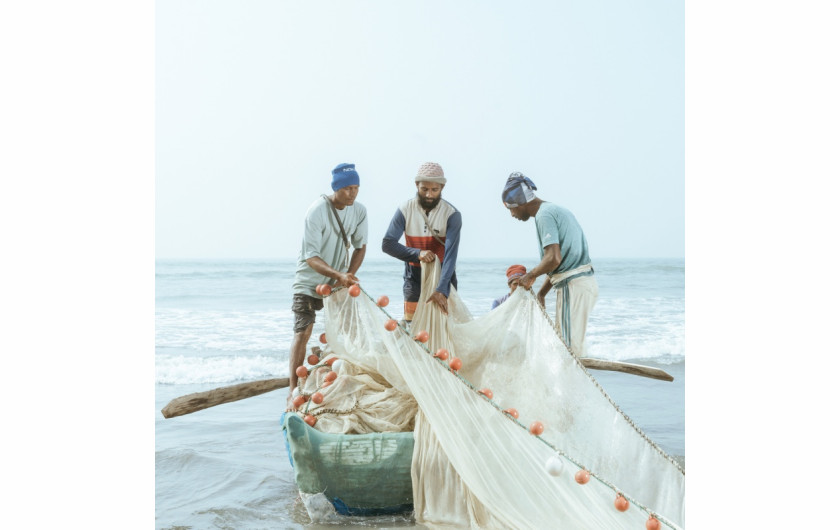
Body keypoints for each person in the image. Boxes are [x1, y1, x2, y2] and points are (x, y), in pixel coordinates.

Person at [288, 163, 368, 399]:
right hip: (309, 281)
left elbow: (360, 247)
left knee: (346, 334)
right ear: (336, 188)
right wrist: (339, 275)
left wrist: (347, 276)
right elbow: (311, 257)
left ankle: (341, 384)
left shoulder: (360, 211)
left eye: (356, 188)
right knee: (303, 332)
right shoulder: (317, 211)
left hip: (337, 284)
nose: (352, 193)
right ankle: (292, 390)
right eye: (347, 189)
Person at [501, 172, 598, 357]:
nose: (512, 214)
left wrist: (530, 275)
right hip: (583, 283)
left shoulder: (543, 216)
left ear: (520, 203)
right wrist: (542, 292)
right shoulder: (555, 210)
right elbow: (555, 264)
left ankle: (573, 385)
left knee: (567, 353)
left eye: (511, 209)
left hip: (573, 285)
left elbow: (553, 258)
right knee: (571, 346)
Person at [382, 162, 462, 324]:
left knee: (444, 326)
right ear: (416, 185)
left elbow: (450, 257)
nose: (429, 195)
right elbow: (387, 244)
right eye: (424, 189)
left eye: (434, 190)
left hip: (443, 276)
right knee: (413, 326)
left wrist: (441, 289)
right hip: (414, 276)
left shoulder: (452, 214)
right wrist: (417, 253)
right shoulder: (405, 210)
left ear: (442, 187)